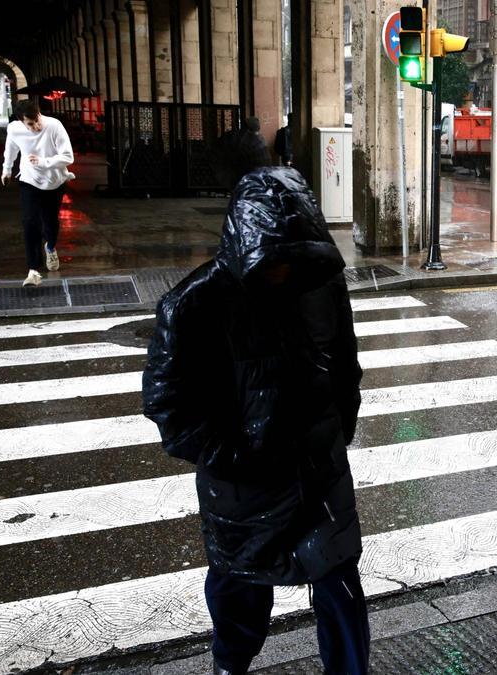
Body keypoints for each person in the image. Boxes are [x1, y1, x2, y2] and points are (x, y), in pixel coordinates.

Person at [142, 129, 369, 675]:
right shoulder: (194, 306)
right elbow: (169, 404)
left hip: (317, 472)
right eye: (272, 259)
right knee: (240, 589)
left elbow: (344, 362)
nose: (282, 272)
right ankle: (230, 666)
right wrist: (232, 455)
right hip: (244, 485)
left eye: (293, 256)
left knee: (339, 587)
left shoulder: (319, 285)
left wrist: (337, 429)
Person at [1, 99, 75, 287]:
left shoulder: (54, 126)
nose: (37, 126)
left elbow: (68, 156)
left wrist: (43, 162)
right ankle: (33, 269)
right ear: (21, 122)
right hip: (29, 179)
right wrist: (7, 170)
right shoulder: (14, 129)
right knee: (30, 221)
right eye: (31, 124)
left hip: (54, 180)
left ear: (40, 113)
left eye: (38, 120)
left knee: (50, 222)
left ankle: (50, 247)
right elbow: (10, 149)